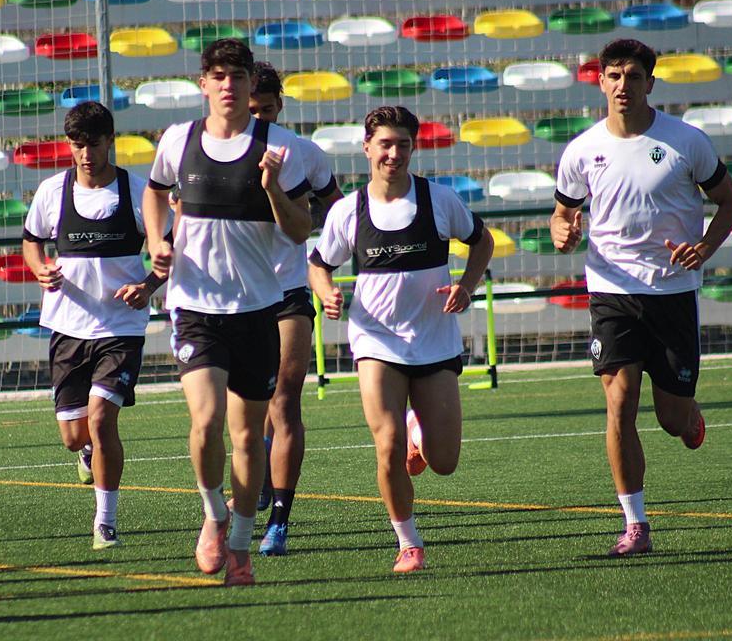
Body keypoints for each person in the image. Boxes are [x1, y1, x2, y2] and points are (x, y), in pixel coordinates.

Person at [550, 39, 732, 556]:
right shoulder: (582, 149)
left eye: (633, 75)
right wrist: (562, 233)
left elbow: (730, 202)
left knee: (671, 418)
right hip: (612, 291)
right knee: (619, 403)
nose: (622, 85)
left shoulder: (687, 142)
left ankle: (689, 415)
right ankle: (635, 524)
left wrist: (704, 247)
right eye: (612, 75)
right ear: (600, 82)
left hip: (673, 294)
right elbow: (563, 213)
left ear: (650, 83)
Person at [143, 39, 312, 585]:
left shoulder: (281, 146)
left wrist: (270, 188)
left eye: (236, 76)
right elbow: (154, 192)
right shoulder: (178, 140)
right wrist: (155, 239)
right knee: (206, 420)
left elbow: (300, 230)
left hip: (258, 308)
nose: (227, 85)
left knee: (246, 436)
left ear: (248, 82)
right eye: (217, 75)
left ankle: (240, 544)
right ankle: (213, 514)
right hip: (194, 305)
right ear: (203, 82)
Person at [309, 106, 493, 573]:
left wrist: (466, 286)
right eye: (385, 144)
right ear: (367, 147)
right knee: (385, 444)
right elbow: (319, 263)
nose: (393, 154)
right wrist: (327, 292)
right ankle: (408, 542)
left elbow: (482, 241)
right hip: (376, 343)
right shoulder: (348, 210)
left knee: (445, 461)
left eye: (403, 144)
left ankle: (420, 431)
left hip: (434, 342)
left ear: (414, 147)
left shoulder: (439, 201)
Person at [22, 102, 164, 549]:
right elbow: (31, 241)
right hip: (67, 326)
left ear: (111, 142)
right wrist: (39, 267)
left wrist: (147, 286)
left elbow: (169, 251)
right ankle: (85, 453)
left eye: (94, 144)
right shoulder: (52, 191)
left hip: (120, 327)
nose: (85, 153)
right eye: (77, 145)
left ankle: (105, 521)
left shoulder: (137, 192)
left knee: (103, 420)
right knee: (73, 436)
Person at [248, 61, 342, 556]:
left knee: (285, 401)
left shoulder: (304, 153)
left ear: (280, 105)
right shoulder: (214, 149)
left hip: (287, 289)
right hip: (234, 298)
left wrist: (329, 274)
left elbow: (339, 210)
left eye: (266, 109)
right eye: (251, 109)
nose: (259, 118)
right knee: (246, 408)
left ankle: (279, 523)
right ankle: (258, 470)